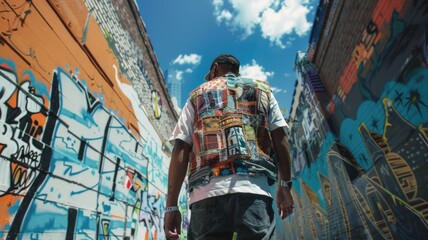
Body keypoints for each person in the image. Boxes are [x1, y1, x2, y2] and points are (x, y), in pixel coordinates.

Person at [164, 54, 294, 240]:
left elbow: (180, 148)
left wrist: (171, 206)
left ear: (215, 68)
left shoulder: (196, 95)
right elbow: (281, 139)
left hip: (205, 194)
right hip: (254, 191)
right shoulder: (262, 91)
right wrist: (285, 185)